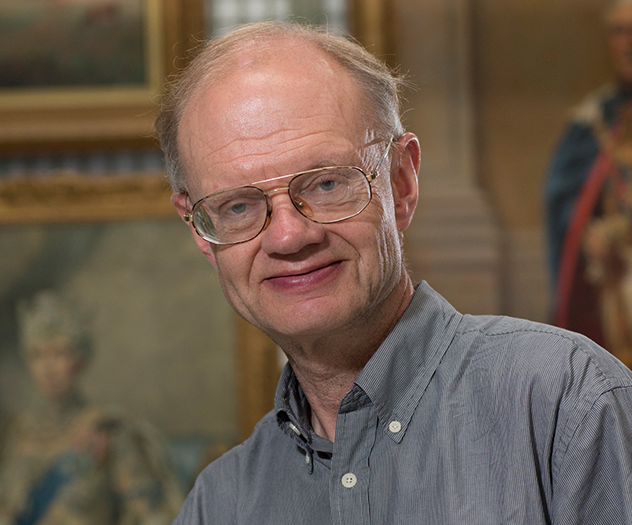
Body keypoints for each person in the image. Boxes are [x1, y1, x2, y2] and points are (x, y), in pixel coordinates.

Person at [156, 21, 632, 524]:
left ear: (402, 181)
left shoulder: (568, 402)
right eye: (238, 207)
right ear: (199, 230)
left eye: (325, 184)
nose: (290, 237)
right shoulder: (218, 505)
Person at [0, 291, 183, 525]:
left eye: (58, 353)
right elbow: (2, 512)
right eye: (37, 355)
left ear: (79, 361)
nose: (48, 368)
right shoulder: (22, 433)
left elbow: (149, 513)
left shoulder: (109, 431)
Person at [545, 0, 632, 368]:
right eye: (620, 31)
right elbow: (568, 210)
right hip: (616, 299)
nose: (629, 43)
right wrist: (589, 237)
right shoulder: (593, 122)